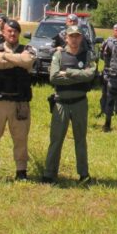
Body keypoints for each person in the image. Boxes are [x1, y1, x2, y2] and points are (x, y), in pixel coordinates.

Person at [0, 19, 35, 181]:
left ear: (19, 33)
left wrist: (4, 57)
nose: (12, 33)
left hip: (19, 102)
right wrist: (16, 60)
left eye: (15, 31)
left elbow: (27, 61)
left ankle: (21, 172)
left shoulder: (27, 49)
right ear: (3, 32)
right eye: (9, 31)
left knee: (20, 138)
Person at [43, 24, 96, 184]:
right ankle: (49, 173)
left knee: (80, 139)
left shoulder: (87, 55)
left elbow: (90, 74)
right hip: (61, 103)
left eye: (77, 36)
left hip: (80, 103)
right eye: (71, 36)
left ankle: (83, 174)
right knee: (56, 139)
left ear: (81, 38)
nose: (74, 39)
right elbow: (54, 77)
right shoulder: (59, 55)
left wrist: (68, 72)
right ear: (66, 38)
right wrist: (79, 75)